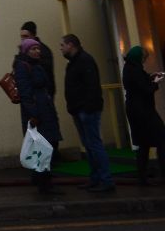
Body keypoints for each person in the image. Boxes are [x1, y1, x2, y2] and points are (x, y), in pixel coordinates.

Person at [60, 34, 114, 193]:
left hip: (86, 110)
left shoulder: (84, 61)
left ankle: (105, 179)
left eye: (62, 45)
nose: (61, 48)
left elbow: (92, 87)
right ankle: (96, 178)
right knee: (90, 146)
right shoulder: (74, 63)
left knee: (94, 145)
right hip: (79, 109)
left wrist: (87, 108)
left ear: (71, 45)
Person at [14, 38, 62, 195]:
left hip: (45, 109)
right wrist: (33, 114)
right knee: (44, 147)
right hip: (38, 113)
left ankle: (40, 178)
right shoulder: (23, 67)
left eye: (38, 48)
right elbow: (25, 92)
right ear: (26, 51)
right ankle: (44, 184)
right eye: (33, 49)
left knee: (49, 144)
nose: (37, 51)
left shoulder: (37, 65)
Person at [121, 45, 165, 185]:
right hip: (144, 112)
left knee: (143, 144)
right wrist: (155, 82)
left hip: (135, 111)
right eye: (143, 58)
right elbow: (145, 90)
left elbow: (139, 83)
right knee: (161, 139)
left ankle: (142, 177)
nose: (144, 61)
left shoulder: (129, 68)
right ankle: (162, 173)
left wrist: (150, 77)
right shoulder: (135, 70)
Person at [19, 21, 55, 96]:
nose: (23, 39)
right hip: (29, 94)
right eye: (21, 37)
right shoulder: (23, 50)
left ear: (33, 36)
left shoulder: (44, 51)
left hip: (43, 95)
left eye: (25, 36)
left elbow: (45, 74)